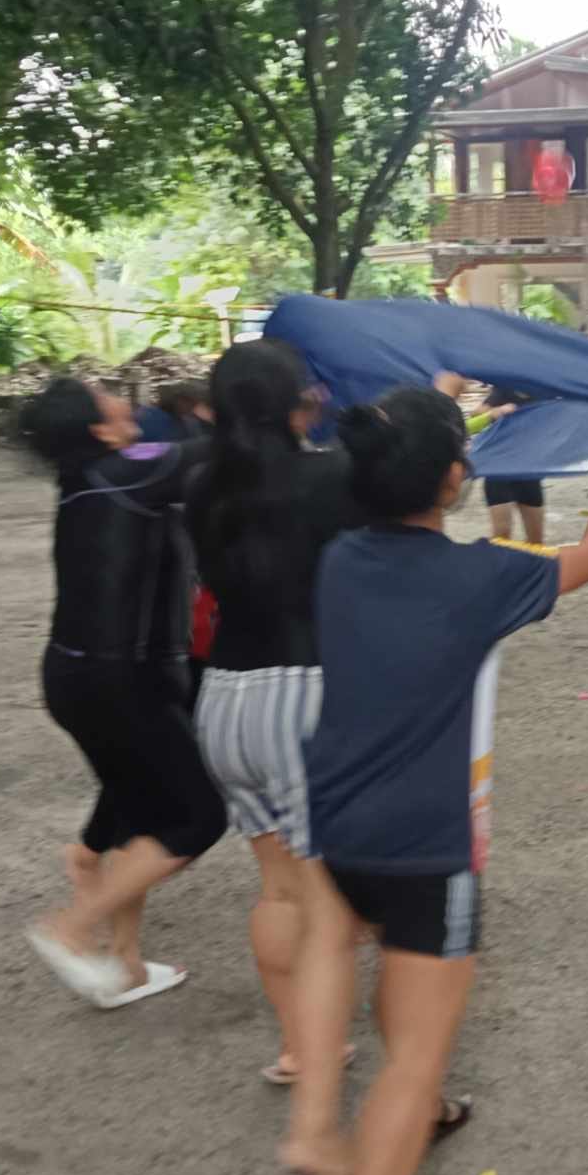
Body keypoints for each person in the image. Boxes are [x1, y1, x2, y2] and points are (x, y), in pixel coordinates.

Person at [292, 391, 588, 1175]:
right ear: (452, 480)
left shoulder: (338, 560)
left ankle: (408, 1110)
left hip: (335, 828)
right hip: (427, 844)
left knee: (386, 978)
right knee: (415, 1049)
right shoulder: (481, 577)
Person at [185, 339, 363, 1097]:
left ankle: (298, 1044)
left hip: (223, 699)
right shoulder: (331, 477)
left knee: (278, 889)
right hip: (303, 695)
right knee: (325, 903)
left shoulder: (201, 486)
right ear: (298, 403)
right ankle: (316, 1077)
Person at [19, 378, 220, 1008]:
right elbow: (217, 453)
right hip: (122, 683)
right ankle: (71, 928)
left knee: (138, 817)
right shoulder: (128, 470)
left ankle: (127, 963)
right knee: (197, 819)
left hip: (80, 677)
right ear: (99, 429)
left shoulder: (91, 477)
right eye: (103, 394)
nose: (117, 394)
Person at [475, 384, 545, 544]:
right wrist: (497, 411)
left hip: (529, 470)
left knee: (536, 540)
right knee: (502, 535)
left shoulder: (542, 393)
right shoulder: (505, 389)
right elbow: (476, 413)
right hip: (499, 469)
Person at [134, 378, 212, 444]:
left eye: (194, 404)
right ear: (178, 400)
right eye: (190, 402)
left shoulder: (188, 422)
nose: (192, 408)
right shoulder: (149, 418)